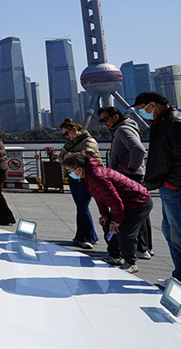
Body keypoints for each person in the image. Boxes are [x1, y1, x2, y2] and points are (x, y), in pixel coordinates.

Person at [133, 91, 181, 287]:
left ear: (153, 104)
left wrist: (172, 183)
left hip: (178, 187)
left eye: (143, 109)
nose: (143, 113)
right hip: (169, 187)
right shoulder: (162, 121)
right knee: (171, 232)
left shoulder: (175, 122)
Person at [62, 152, 153, 274]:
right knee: (107, 225)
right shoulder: (87, 176)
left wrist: (116, 221)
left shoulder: (97, 177)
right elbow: (99, 196)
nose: (69, 174)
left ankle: (131, 263)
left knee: (125, 232)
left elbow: (114, 201)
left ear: (79, 169)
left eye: (70, 171)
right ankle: (115, 256)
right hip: (125, 202)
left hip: (138, 202)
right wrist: (104, 214)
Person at [97, 106, 152, 260]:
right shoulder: (122, 129)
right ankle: (145, 248)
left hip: (128, 178)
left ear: (116, 116)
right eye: (101, 121)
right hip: (132, 177)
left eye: (105, 119)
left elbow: (138, 149)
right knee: (141, 213)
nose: (104, 123)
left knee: (132, 214)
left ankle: (139, 249)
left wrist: (132, 168)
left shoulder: (122, 130)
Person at [59, 118, 100, 250]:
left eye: (66, 133)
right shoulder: (68, 143)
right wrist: (68, 157)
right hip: (73, 176)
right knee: (80, 206)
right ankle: (89, 236)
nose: (66, 136)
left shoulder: (89, 141)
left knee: (82, 206)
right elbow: (61, 157)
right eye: (64, 134)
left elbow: (85, 156)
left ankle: (85, 238)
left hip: (86, 176)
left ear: (74, 130)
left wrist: (68, 156)